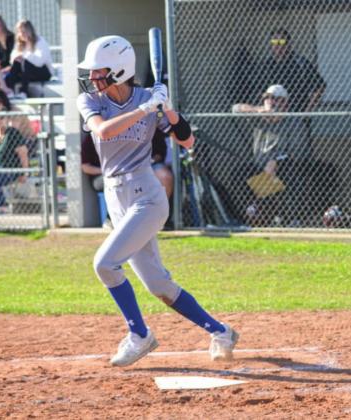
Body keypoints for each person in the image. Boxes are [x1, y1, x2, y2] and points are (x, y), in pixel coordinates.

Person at [76, 35, 238, 367]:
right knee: (158, 284)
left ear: (119, 71)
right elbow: (103, 132)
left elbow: (188, 141)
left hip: (146, 197)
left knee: (105, 264)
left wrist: (168, 110)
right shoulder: (91, 102)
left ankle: (140, 335)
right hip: (116, 196)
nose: (93, 79)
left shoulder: (149, 99)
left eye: (99, 72)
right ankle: (221, 331)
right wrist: (146, 108)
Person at [232, 84, 311, 225]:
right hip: (259, 167)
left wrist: (276, 161)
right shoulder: (258, 117)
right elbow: (235, 109)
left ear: (284, 103)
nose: (269, 101)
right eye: (266, 98)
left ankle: (289, 218)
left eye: (274, 99)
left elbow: (297, 153)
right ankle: (248, 214)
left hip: (282, 168)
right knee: (238, 172)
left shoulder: (294, 122)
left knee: (291, 172)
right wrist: (258, 110)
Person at [256, 29, 326, 113]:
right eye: (274, 41)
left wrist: (308, 110)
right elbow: (259, 89)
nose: (278, 45)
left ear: (289, 44)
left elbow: (320, 86)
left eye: (282, 41)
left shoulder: (300, 62)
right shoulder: (266, 64)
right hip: (272, 113)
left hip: (296, 112)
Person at [4, 20, 52, 96]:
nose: (22, 34)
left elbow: (40, 62)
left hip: (43, 72)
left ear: (30, 31)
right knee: (15, 66)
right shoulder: (19, 44)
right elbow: (12, 59)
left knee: (26, 62)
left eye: (24, 31)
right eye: (20, 32)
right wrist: (17, 58)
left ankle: (23, 92)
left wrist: (24, 56)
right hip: (26, 74)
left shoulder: (40, 41)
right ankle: (10, 92)